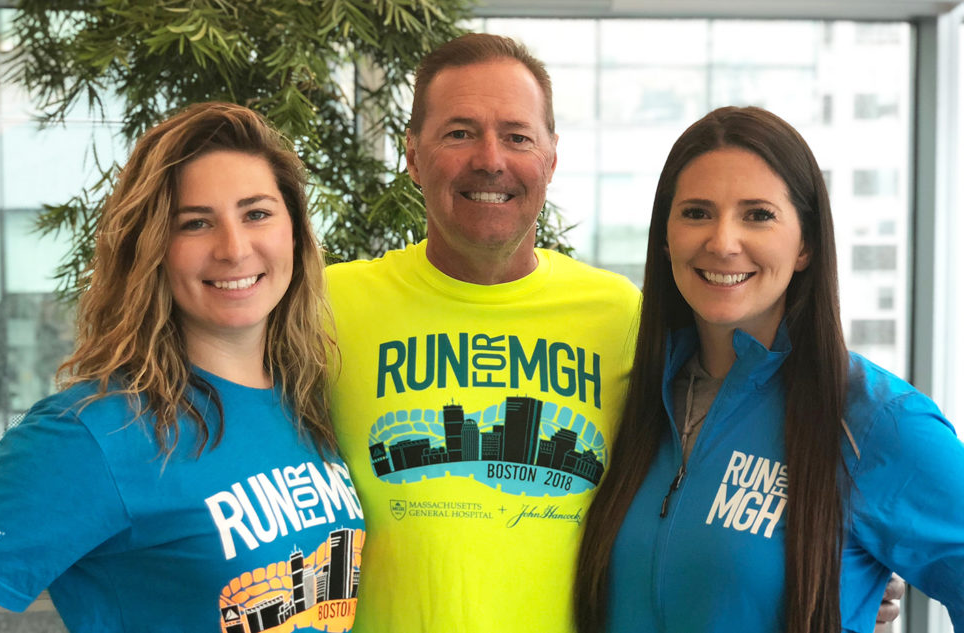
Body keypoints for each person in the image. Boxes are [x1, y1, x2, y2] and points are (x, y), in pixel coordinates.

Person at [0, 103, 365, 633]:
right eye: (195, 223)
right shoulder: (94, 434)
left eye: (256, 213)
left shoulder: (307, 401)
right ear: (152, 249)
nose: (234, 249)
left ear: (296, 233)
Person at [574, 106, 964, 632]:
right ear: (665, 237)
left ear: (805, 244)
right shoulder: (629, 399)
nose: (722, 241)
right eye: (696, 212)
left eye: (758, 214)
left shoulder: (875, 422)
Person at [325, 33, 642, 632]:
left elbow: (695, 473)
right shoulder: (325, 305)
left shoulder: (621, 316)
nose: (491, 159)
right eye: (459, 132)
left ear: (550, 158)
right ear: (413, 156)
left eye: (517, 136)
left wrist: (833, 556)